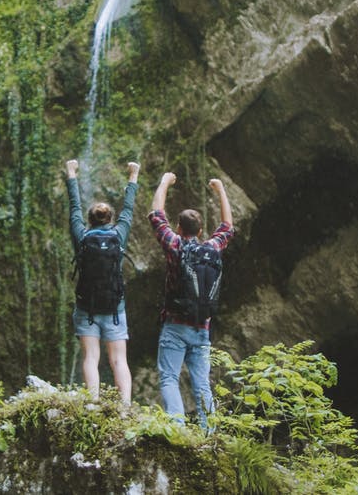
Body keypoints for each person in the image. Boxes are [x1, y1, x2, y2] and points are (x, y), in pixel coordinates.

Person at [148, 172, 235, 425]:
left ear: (178, 227)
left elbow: (156, 214)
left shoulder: (175, 246)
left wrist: (164, 181)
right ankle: (208, 433)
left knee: (168, 378)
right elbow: (228, 225)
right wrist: (220, 190)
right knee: (202, 386)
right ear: (200, 230)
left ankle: (177, 427)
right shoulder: (213, 248)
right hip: (202, 327)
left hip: (175, 326)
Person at [65, 158, 139, 403]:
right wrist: (133, 176)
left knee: (91, 358)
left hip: (87, 307)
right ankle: (125, 407)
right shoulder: (119, 235)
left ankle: (94, 403)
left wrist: (71, 173)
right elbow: (128, 209)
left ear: (90, 219)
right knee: (119, 360)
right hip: (115, 308)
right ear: (111, 219)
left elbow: (74, 208)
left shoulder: (82, 237)